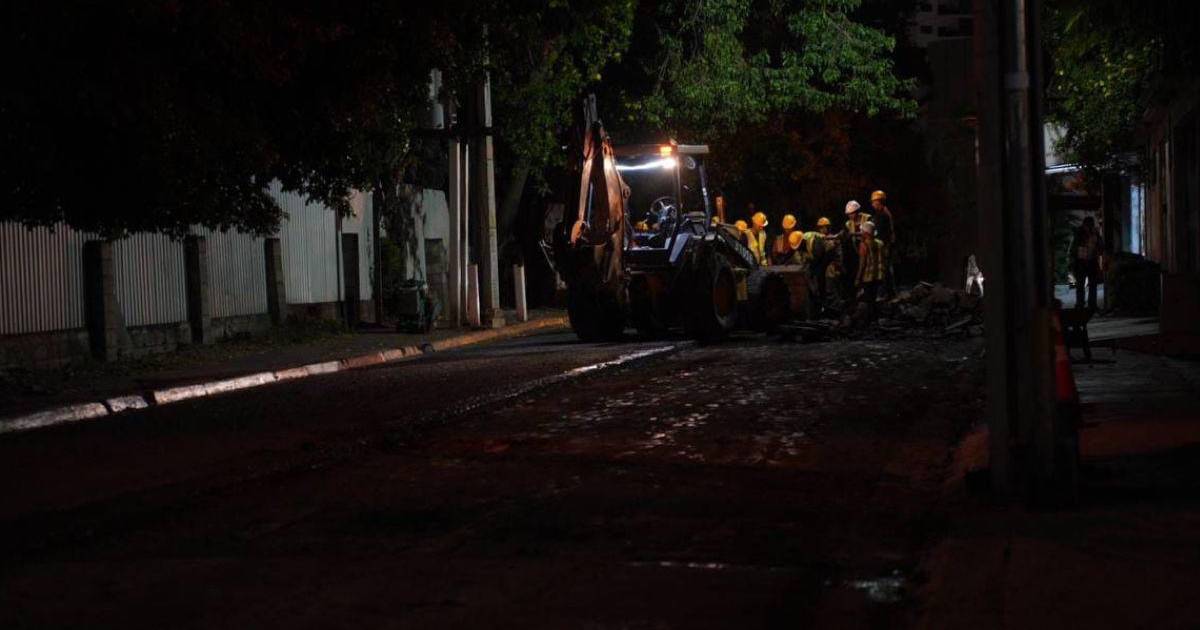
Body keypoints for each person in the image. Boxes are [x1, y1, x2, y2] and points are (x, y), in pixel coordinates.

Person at [1069, 216, 1105, 311]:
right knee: (1080, 285)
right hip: (1081, 261)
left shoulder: (1095, 233)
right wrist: (1073, 261)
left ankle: (1091, 304)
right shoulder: (1079, 233)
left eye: (1091, 225)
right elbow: (1074, 248)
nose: (1089, 227)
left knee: (1092, 284)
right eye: (1088, 225)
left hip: (1092, 260)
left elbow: (1100, 245)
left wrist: (1099, 250)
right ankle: (1080, 304)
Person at [856, 221, 885, 324]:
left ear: (866, 233)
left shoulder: (864, 245)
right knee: (875, 298)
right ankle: (875, 319)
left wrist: (858, 278)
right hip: (879, 275)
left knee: (868, 299)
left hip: (868, 276)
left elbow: (862, 263)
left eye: (862, 231)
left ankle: (870, 320)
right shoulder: (880, 243)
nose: (861, 233)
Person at [870, 190, 896, 296]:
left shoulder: (883, 214)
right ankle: (888, 292)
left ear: (879, 201)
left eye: (874, 202)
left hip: (885, 244)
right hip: (885, 244)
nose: (872, 204)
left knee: (885, 269)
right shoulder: (882, 213)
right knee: (886, 268)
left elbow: (880, 231)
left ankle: (888, 292)